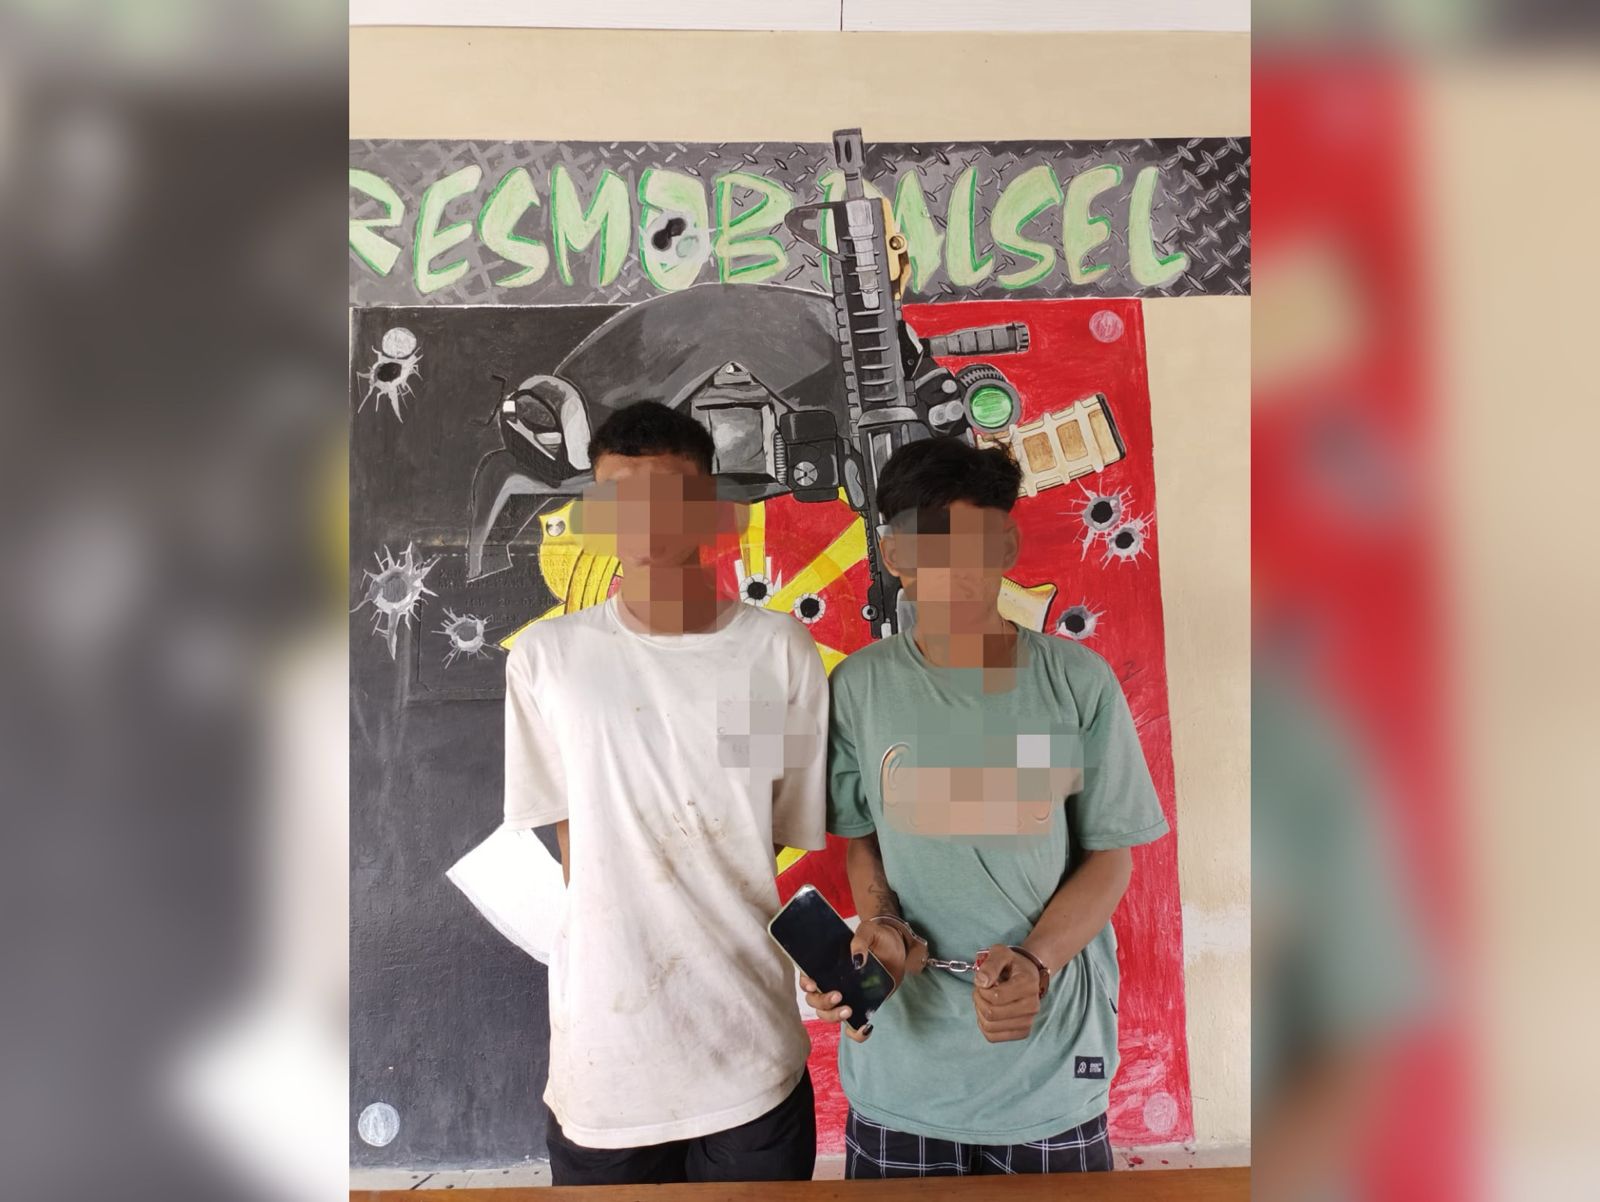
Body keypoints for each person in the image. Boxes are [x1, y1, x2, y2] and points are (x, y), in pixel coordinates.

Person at [800, 436, 1169, 1177]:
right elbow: (862, 838)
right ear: (894, 555)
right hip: (903, 1074)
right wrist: (883, 926)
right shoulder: (858, 689)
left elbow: (1109, 856)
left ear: (1006, 546)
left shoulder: (1078, 682)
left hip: (1048, 1065)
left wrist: (1037, 961)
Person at [503, 401, 827, 1185]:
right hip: (606, 1060)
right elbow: (576, 841)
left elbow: (762, 828)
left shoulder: (774, 652)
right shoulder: (548, 659)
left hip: (749, 1053)